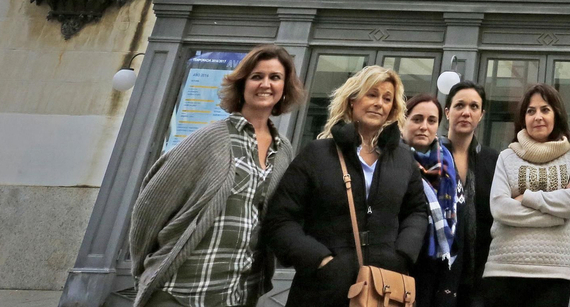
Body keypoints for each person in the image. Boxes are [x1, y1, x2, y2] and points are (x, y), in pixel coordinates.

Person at [129, 45, 305, 307]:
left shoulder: (283, 150)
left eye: (275, 77)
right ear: (242, 83)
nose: (265, 84)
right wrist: (148, 269)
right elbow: (149, 209)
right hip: (180, 291)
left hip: (238, 294)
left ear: (284, 88)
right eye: (257, 76)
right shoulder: (210, 138)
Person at [266, 65, 430, 307]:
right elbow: (280, 219)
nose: (379, 103)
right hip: (323, 290)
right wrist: (320, 260)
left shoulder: (403, 159)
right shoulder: (317, 154)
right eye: (371, 94)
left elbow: (416, 211)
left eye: (387, 99)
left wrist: (402, 254)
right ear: (352, 101)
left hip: (384, 290)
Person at [484, 84, 570, 307]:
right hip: (504, 268)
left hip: (554, 272)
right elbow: (500, 208)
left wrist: (525, 198)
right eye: (531, 111)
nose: (538, 117)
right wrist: (558, 215)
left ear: (556, 114)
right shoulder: (507, 157)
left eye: (545, 109)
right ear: (523, 118)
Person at [404, 94, 466, 307]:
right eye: (417, 119)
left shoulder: (448, 165)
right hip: (399, 266)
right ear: (403, 121)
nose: (424, 126)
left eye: (431, 121)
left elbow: (460, 225)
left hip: (437, 270)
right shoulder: (389, 159)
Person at [445, 80, 499, 307]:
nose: (466, 112)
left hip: (481, 276)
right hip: (437, 273)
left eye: (474, 107)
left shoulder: (493, 160)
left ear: (481, 114)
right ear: (447, 112)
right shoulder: (430, 157)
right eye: (459, 106)